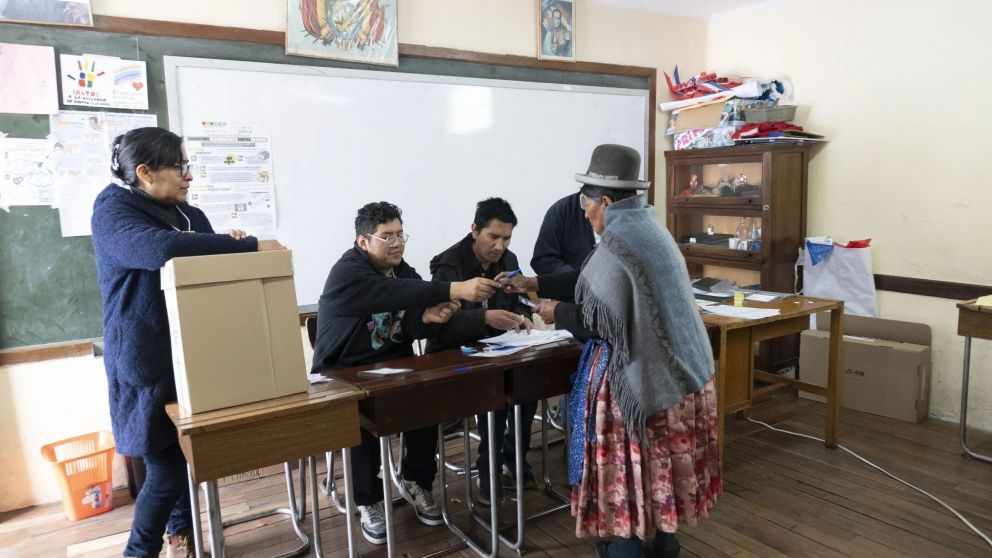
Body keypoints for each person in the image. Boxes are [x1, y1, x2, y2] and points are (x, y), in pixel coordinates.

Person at [500, 144, 721, 558]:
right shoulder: (650, 229)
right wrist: (536, 283)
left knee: (627, 468)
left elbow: (598, 318)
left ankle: (624, 547)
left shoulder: (618, 243)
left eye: (587, 206)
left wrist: (554, 311)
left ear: (604, 201)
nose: (585, 215)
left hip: (638, 384)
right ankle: (665, 543)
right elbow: (596, 284)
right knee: (661, 470)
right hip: (680, 377)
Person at [90, 127, 286, 558]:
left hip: (193, 351)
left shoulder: (188, 214)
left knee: (186, 457)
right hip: (145, 357)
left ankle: (181, 532)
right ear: (145, 172)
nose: (189, 176)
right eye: (180, 167)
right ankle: (138, 552)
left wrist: (221, 245)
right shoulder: (113, 209)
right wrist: (249, 246)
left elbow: (209, 259)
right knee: (165, 469)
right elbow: (156, 249)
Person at [310, 201, 499, 545]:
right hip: (342, 373)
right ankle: (368, 499)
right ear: (363, 241)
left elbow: (408, 319)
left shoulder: (402, 271)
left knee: (427, 401)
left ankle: (417, 481)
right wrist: (454, 289)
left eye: (400, 235)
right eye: (387, 236)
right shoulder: (348, 272)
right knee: (359, 419)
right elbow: (390, 294)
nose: (397, 243)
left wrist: (426, 319)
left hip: (392, 367)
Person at [426, 197, 537, 502]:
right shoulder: (449, 266)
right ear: (475, 230)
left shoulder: (509, 261)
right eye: (493, 237)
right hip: (454, 355)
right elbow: (441, 326)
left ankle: (515, 457)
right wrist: (484, 317)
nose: (500, 246)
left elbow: (520, 302)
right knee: (494, 392)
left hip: (499, 351)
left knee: (528, 386)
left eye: (507, 238)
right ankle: (488, 468)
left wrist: (522, 317)